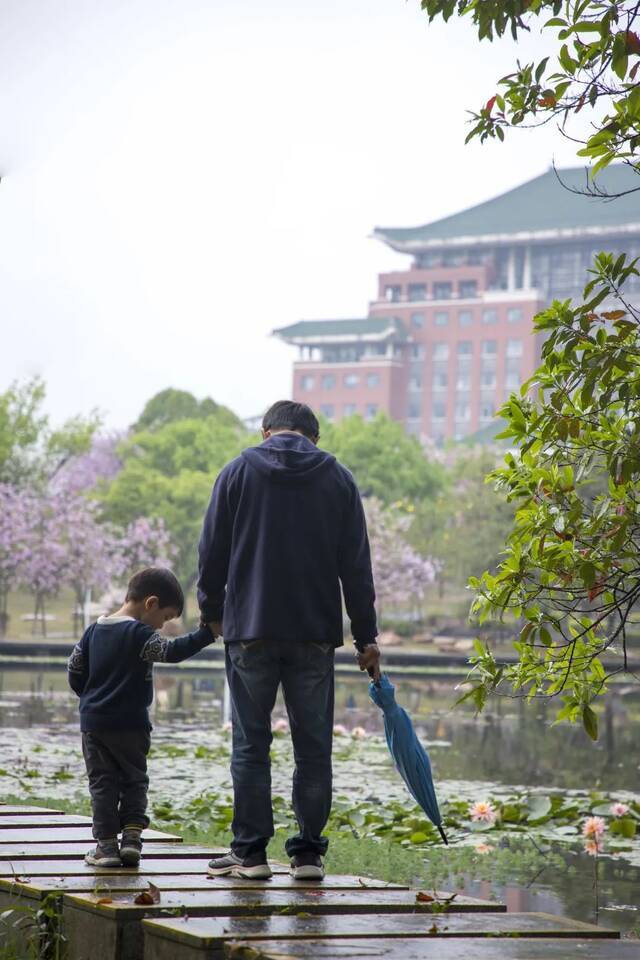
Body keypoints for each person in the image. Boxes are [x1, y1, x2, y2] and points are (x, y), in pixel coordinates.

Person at [198, 400, 380, 881]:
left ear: (266, 432)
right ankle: (307, 857)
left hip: (250, 629)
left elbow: (211, 550)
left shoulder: (236, 473)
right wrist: (366, 636)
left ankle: (251, 855)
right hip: (314, 634)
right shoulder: (338, 479)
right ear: (313, 438)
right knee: (313, 747)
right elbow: (356, 568)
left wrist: (211, 614)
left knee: (250, 743)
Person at [67, 566, 216, 867]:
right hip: (132, 725)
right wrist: (207, 633)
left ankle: (106, 847)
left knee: (102, 784)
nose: (161, 627)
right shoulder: (139, 634)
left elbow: (74, 671)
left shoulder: (93, 631)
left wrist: (91, 699)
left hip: (94, 725)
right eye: (164, 618)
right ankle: (132, 840)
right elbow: (172, 652)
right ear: (150, 604)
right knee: (134, 780)